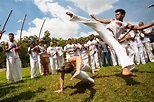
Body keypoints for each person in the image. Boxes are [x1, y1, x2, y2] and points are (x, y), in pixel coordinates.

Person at [66, 9, 154, 76]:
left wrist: (152, 23)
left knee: (120, 49)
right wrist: (94, 17)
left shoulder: (125, 24)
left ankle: (125, 69)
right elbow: (101, 21)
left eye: (118, 14)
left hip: (111, 37)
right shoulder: (112, 20)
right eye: (116, 14)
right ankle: (74, 16)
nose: (116, 15)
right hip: (105, 32)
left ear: (123, 15)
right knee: (94, 23)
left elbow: (139, 28)